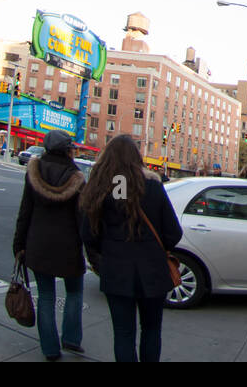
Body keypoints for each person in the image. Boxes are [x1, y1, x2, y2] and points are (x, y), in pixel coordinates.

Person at [79, 135, 183, 362]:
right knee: (152, 330)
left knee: (123, 334)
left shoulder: (101, 188)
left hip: (116, 270)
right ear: (137, 157)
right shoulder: (154, 186)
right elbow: (174, 233)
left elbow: (88, 234)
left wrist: (103, 258)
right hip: (153, 271)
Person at [13, 131, 86, 361]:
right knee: (74, 292)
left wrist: (19, 245)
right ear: (68, 150)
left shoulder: (34, 173)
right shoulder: (76, 177)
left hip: (38, 245)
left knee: (45, 296)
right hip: (69, 249)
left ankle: (50, 349)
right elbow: (82, 219)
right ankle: (71, 339)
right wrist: (92, 249)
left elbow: (25, 212)